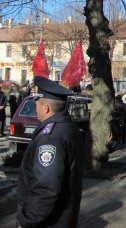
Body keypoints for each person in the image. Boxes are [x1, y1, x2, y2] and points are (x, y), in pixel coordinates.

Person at [16, 76, 84, 227]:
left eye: (38, 105)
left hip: (49, 221)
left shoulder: (51, 137)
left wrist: (26, 221)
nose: (36, 108)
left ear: (46, 108)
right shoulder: (68, 127)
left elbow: (47, 186)